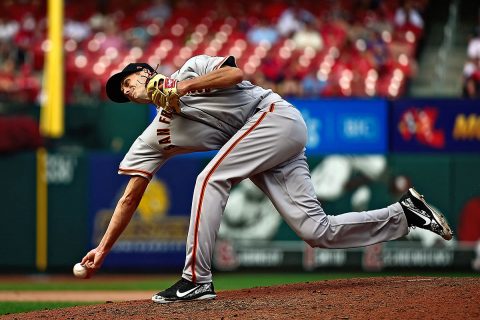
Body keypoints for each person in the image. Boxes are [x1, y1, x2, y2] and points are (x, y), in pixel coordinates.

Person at [81, 54, 453, 304]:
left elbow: (235, 74)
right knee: (316, 231)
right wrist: (104, 249)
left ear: (146, 73)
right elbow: (130, 196)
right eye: (123, 94)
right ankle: (405, 215)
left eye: (127, 83)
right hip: (264, 152)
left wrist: (181, 89)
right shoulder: (154, 137)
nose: (127, 92)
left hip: (275, 117)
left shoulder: (192, 69)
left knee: (210, 177)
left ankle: (196, 279)